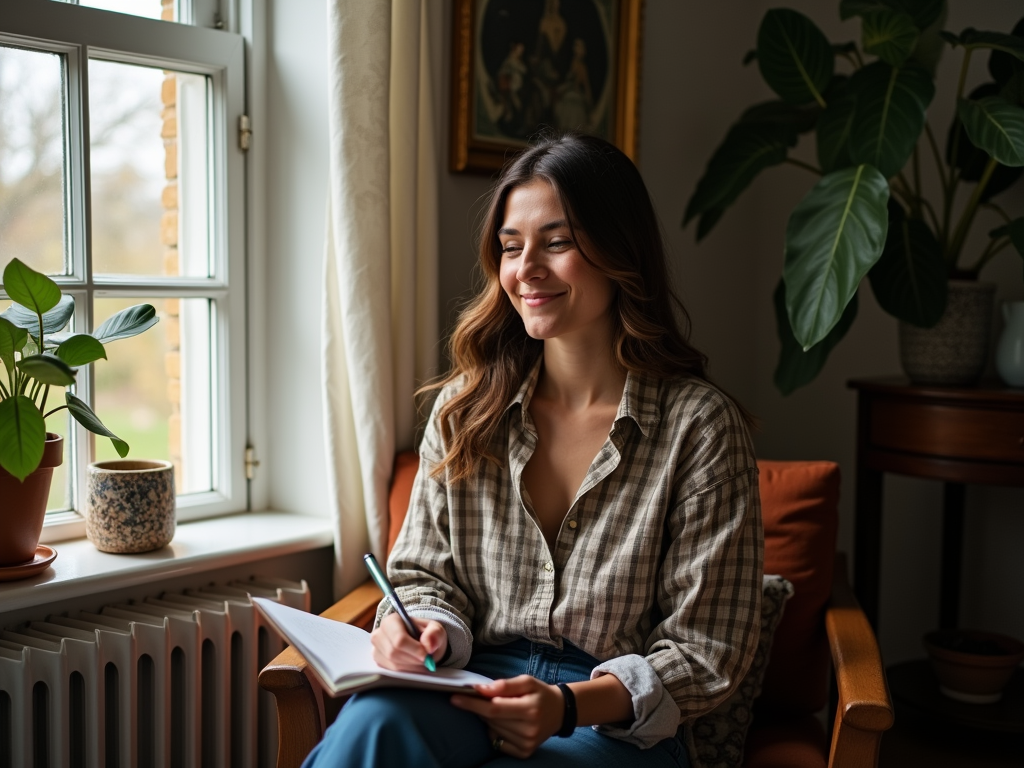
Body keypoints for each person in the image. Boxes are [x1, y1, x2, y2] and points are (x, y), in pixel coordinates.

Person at [303, 133, 763, 768]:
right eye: (511, 247)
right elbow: (423, 575)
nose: (526, 270)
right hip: (471, 680)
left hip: (611, 719)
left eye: (558, 242)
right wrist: (422, 627)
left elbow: (707, 648)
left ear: (617, 252)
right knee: (372, 728)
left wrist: (567, 704)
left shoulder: (700, 428)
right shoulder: (465, 409)